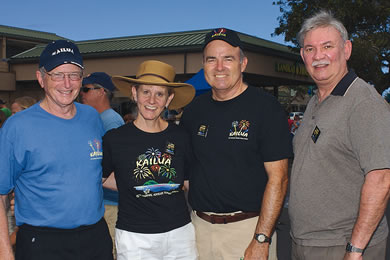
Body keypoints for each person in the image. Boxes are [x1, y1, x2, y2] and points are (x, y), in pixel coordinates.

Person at [180, 28, 293, 260]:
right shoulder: (193, 112)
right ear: (204, 65)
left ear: (243, 63)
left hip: (248, 230)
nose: (219, 67)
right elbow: (187, 172)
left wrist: (262, 238)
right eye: (212, 59)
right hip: (199, 230)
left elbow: (278, 179)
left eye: (228, 59)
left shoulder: (266, 108)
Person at [289, 11, 390, 260]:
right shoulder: (316, 101)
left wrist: (355, 250)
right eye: (310, 49)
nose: (318, 56)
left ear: (346, 49)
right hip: (305, 241)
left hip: (342, 245)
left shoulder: (363, 102)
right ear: (302, 55)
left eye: (327, 46)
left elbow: (381, 180)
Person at [0, 39, 113, 260]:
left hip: (95, 238)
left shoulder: (91, 118)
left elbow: (94, 174)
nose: (67, 83)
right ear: (41, 78)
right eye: (57, 75)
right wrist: (4, 253)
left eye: (74, 75)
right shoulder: (17, 127)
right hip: (42, 243)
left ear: (82, 79)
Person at [102, 60, 197, 260]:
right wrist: (132, 185)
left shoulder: (181, 137)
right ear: (134, 93)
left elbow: (188, 180)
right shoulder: (115, 139)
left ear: (168, 99)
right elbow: (99, 178)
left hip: (180, 233)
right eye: (146, 92)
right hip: (134, 237)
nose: (152, 100)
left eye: (160, 94)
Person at [81, 72, 125, 258]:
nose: (81, 93)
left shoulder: (111, 121)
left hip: (110, 205)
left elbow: (118, 165)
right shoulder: (98, 118)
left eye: (86, 89)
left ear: (102, 92)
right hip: (102, 203)